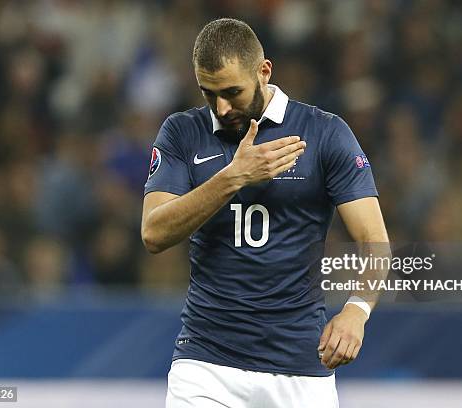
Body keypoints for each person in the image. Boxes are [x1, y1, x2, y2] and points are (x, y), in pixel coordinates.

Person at [141, 18, 389, 408]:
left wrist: (357, 311)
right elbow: (153, 232)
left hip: (301, 367)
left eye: (232, 92)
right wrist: (233, 178)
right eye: (208, 94)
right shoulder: (181, 133)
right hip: (206, 365)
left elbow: (375, 241)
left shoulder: (325, 133)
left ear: (264, 71)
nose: (221, 108)